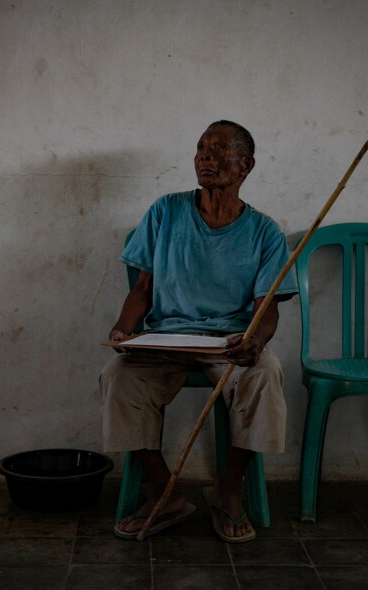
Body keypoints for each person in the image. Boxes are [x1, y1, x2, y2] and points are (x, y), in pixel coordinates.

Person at [101, 120, 298, 543]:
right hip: (167, 338)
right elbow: (142, 288)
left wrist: (254, 342)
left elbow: (268, 311)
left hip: (229, 344)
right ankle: (164, 489)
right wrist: (123, 330)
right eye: (200, 149)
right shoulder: (165, 211)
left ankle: (228, 485)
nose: (206, 157)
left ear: (246, 165)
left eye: (219, 150)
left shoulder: (265, 232)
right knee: (118, 378)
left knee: (265, 374)